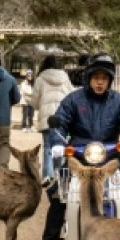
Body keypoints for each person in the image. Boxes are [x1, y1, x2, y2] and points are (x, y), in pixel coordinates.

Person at [37, 54, 120, 240]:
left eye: (104, 78)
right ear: (88, 78)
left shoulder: (119, 101)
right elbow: (61, 121)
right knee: (59, 198)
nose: (99, 82)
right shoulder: (73, 99)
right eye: (96, 77)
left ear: (110, 80)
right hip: (77, 160)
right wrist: (57, 142)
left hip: (110, 161)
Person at [29, 55, 75, 185]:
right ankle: (59, 174)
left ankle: (48, 176)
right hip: (63, 118)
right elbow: (72, 96)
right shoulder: (65, 78)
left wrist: (40, 106)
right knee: (61, 146)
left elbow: (35, 101)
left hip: (47, 118)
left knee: (48, 147)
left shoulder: (40, 79)